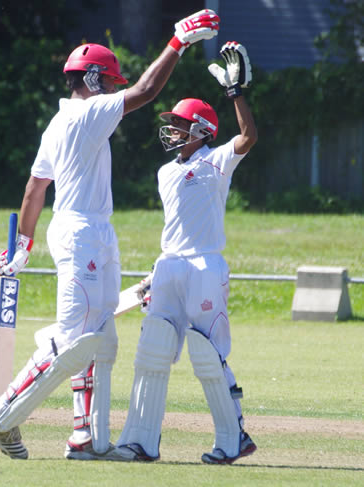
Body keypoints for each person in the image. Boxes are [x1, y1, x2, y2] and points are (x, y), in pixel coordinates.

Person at [0, 10, 220, 461]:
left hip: (92, 230)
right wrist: (177, 42)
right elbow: (146, 91)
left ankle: (85, 436)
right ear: (91, 78)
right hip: (81, 232)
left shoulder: (58, 122)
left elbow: (34, 188)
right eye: (108, 82)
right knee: (77, 339)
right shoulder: (87, 113)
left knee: (101, 340)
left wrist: (22, 246)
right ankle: (1, 411)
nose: (112, 90)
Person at [116, 41, 258, 464]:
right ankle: (141, 440)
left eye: (179, 124)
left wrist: (236, 95)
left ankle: (234, 440)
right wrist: (153, 275)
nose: (172, 130)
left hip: (205, 266)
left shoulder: (216, 162)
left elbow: (249, 136)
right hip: (170, 265)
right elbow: (173, 230)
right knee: (152, 349)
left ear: (200, 131)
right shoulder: (164, 172)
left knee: (206, 353)